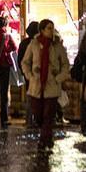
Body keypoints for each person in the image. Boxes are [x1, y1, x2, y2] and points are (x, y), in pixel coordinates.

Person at [21, 19, 70, 148]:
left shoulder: (57, 46)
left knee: (48, 115)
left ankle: (43, 141)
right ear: (42, 30)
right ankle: (47, 137)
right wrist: (29, 75)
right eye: (48, 28)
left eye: (52, 28)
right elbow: (25, 62)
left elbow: (65, 64)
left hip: (51, 85)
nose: (51, 31)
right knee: (38, 115)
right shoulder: (34, 44)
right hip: (36, 84)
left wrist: (59, 78)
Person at [16, 22, 40, 127]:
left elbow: (19, 59)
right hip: (37, 73)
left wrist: (23, 71)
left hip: (28, 74)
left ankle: (29, 119)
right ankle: (35, 119)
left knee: (30, 95)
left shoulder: (23, 43)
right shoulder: (38, 43)